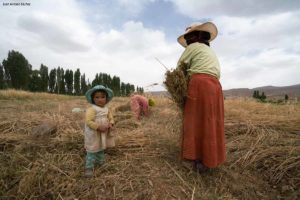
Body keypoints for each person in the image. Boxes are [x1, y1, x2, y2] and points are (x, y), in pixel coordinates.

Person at [177, 22, 226, 172]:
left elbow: (180, 68)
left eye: (189, 36)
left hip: (200, 84)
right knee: (211, 120)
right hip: (216, 87)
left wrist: (179, 86)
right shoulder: (208, 50)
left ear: (196, 36)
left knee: (195, 120)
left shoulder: (193, 47)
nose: (188, 40)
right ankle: (211, 157)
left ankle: (198, 157)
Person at [84, 85, 115, 177]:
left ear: (106, 98)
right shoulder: (92, 109)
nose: (100, 99)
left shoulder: (106, 109)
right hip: (94, 132)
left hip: (103, 132)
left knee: (101, 145)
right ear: (93, 99)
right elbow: (88, 121)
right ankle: (89, 166)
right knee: (92, 148)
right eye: (97, 97)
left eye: (102, 97)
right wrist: (98, 127)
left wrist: (111, 123)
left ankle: (100, 162)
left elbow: (111, 118)